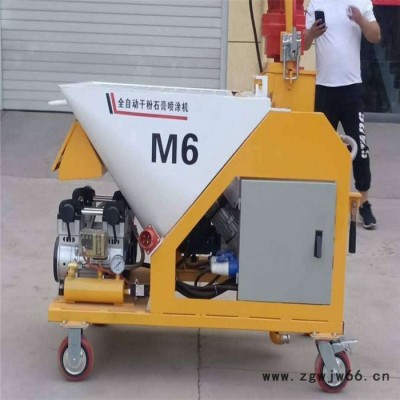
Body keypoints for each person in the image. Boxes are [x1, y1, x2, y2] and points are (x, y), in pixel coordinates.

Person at [304, 1, 381, 229]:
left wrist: (360, 20)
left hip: (351, 88)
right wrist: (312, 33)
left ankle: (364, 204)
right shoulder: (316, 3)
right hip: (324, 89)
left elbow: (375, 36)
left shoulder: (360, 2)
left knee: (360, 149)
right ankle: (320, 202)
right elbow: (303, 45)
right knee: (321, 150)